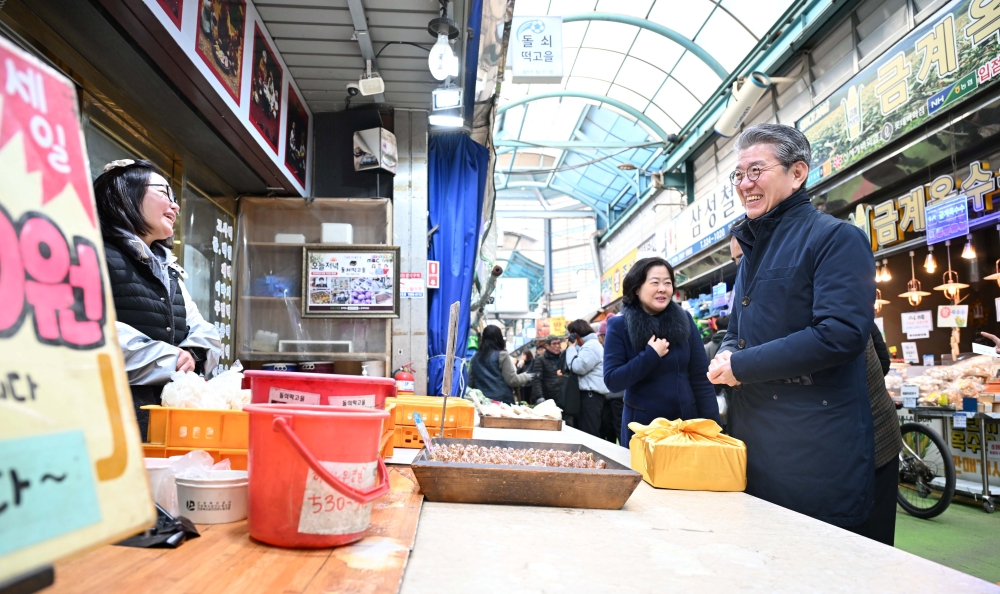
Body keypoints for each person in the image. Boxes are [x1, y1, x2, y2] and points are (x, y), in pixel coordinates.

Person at [707, 123, 876, 532]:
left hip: (814, 448)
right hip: (756, 440)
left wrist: (742, 367)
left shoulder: (836, 237)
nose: (745, 183)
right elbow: (739, 326)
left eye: (756, 171)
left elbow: (840, 333)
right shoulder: (750, 253)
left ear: (797, 173)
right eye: (738, 174)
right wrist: (728, 352)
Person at [93, 159, 222, 440]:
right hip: (109, 422)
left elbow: (204, 331)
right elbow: (93, 332)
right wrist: (171, 358)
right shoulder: (92, 254)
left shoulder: (168, 268)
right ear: (123, 194)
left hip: (165, 420)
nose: (175, 206)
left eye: (175, 198)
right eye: (164, 193)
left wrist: (194, 357)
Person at [604, 257, 721, 446]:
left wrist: (714, 426)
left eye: (667, 283)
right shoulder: (620, 325)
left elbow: (700, 378)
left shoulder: (684, 320)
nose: (662, 289)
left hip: (685, 426)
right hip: (643, 430)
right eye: (655, 283)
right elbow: (613, 380)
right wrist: (650, 356)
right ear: (637, 288)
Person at [857, 324, 902, 546]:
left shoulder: (842, 314)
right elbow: (884, 361)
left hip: (875, 434)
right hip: (870, 427)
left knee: (874, 532)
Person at [564, 319, 609, 437]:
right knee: (583, 431)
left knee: (589, 432)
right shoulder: (586, 346)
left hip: (591, 397)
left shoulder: (591, 346)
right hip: (587, 396)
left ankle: (592, 455)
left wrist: (571, 348)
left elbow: (578, 367)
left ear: (576, 334)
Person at [468, 326, 532, 404]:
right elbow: (512, 380)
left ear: (483, 338)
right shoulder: (502, 355)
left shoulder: (474, 358)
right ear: (499, 338)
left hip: (482, 403)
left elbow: (470, 382)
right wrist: (527, 376)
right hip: (502, 403)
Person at [597, 316, 624, 443]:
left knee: (618, 427)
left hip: (616, 395)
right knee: (612, 427)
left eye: (600, 337)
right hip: (613, 395)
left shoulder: (612, 346)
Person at [531, 337, 565, 405]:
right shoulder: (540, 360)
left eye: (558, 343)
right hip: (549, 398)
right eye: (554, 344)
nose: (557, 346)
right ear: (547, 346)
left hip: (565, 396)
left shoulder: (564, 357)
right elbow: (537, 380)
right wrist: (539, 396)